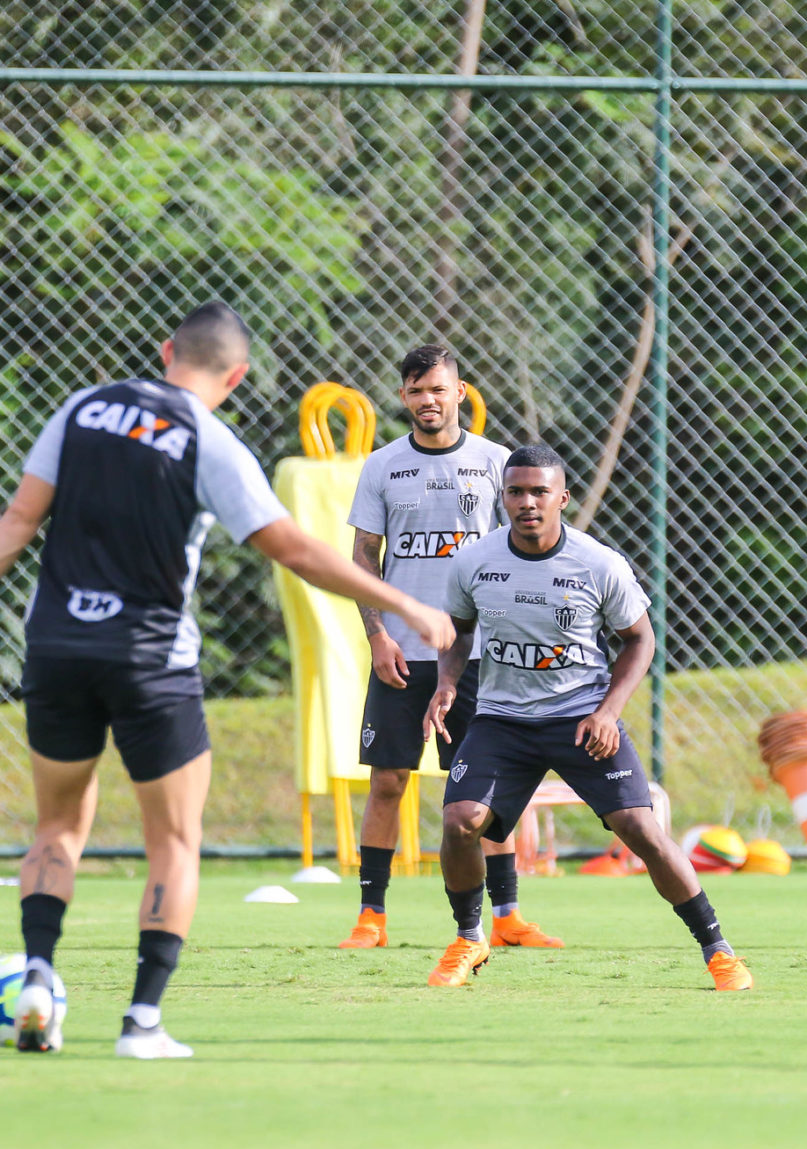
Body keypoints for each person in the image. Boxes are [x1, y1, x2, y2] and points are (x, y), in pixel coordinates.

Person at [2, 302, 455, 1059]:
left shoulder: (82, 409)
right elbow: (294, 549)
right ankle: (141, 1021)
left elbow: (18, 519)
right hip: (151, 661)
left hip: (56, 649)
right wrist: (406, 602)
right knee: (175, 841)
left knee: (57, 827)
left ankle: (41, 975)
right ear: (236, 376)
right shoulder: (209, 441)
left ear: (166, 347)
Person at [422, 444, 752, 990]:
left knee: (642, 831)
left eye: (539, 492)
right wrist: (448, 683)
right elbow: (458, 632)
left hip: (581, 720)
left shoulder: (598, 563)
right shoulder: (474, 561)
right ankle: (469, 938)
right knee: (460, 821)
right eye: (516, 491)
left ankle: (719, 951)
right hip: (502, 720)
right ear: (502, 497)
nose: (527, 502)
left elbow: (640, 640)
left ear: (563, 498)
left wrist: (608, 712)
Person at [337, 345, 562, 952]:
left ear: (460, 392)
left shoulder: (496, 463)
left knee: (489, 788)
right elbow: (364, 557)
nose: (426, 401)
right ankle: (371, 918)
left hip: (485, 657)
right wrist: (378, 636)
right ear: (403, 397)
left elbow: (524, 551)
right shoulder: (382, 466)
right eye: (415, 391)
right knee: (388, 782)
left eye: (437, 389)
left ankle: (509, 917)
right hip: (403, 654)